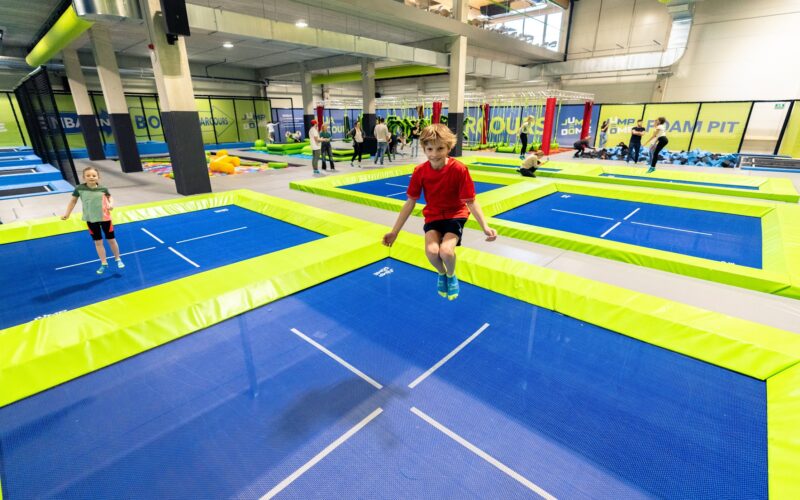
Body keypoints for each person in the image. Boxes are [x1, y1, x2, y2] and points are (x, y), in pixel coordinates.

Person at [382, 124, 497, 300]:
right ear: (424, 148)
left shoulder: (459, 169)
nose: (434, 154)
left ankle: (451, 276)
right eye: (430, 149)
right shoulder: (420, 171)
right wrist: (394, 231)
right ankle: (442, 273)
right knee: (432, 251)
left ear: (449, 147)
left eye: (440, 148)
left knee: (446, 252)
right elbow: (410, 202)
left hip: (455, 214)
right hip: (434, 215)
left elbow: (471, 201)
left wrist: (485, 227)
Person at [61, 167, 124, 275]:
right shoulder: (79, 188)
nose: (91, 177)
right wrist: (67, 214)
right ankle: (104, 263)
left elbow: (110, 198)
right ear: (84, 177)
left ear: (98, 177)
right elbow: (73, 202)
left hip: (105, 218)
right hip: (91, 219)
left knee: (111, 240)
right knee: (98, 242)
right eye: (88, 175)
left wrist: (111, 204)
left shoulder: (103, 188)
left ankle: (118, 258)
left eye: (94, 175)